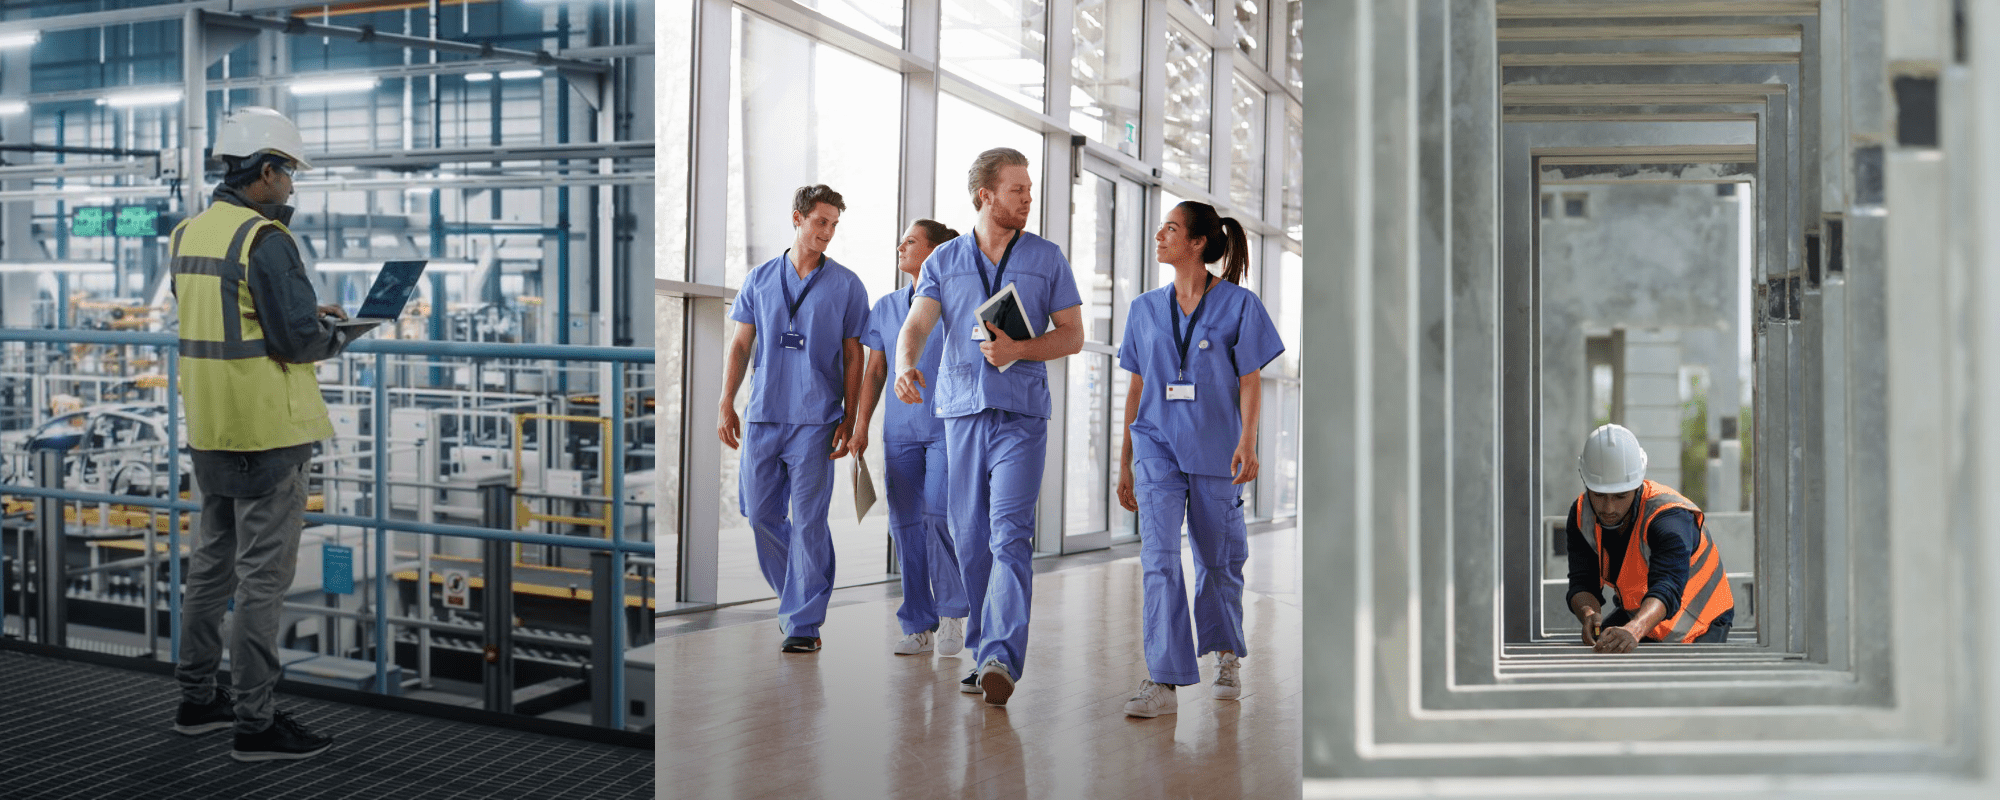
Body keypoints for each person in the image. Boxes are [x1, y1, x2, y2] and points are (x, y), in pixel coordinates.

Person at [171, 106, 354, 761]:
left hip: (211, 424)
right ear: (267, 170)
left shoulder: (189, 233)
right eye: (290, 172)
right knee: (261, 583)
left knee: (210, 570)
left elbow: (226, 312)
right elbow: (297, 341)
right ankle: (255, 724)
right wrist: (336, 332)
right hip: (267, 430)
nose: (293, 184)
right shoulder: (265, 239)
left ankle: (197, 700)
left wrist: (302, 311)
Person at [894, 147, 1084, 706]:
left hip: (1021, 415)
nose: (1028, 198)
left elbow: (1072, 334)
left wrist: (1019, 349)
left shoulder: (1046, 258)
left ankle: (1001, 654)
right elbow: (917, 324)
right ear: (986, 195)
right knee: (971, 537)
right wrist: (905, 365)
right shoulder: (944, 260)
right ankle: (983, 651)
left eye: (1029, 189)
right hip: (961, 412)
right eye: (1017, 189)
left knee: (1009, 533)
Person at [1114, 201, 1284, 719]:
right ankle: (1163, 678)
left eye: (1171, 228)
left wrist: (1248, 441)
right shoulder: (1144, 309)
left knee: (1217, 560)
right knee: (1158, 559)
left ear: (1197, 243)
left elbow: (1250, 380)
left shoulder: (1239, 305)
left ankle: (1226, 653)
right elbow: (1137, 387)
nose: (1159, 235)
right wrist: (1125, 460)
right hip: (1156, 446)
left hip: (1216, 448)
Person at [718, 184, 870, 654]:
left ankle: (803, 621)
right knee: (760, 514)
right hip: (763, 415)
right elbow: (741, 344)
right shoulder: (760, 278)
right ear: (797, 218)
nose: (828, 232)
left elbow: (854, 356)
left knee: (808, 522)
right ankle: (798, 596)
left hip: (816, 419)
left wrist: (850, 415)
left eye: (834, 225)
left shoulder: (847, 284)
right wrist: (725, 401)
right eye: (821, 221)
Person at [852, 220, 970, 657]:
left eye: (911, 241)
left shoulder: (957, 303)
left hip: (947, 428)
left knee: (937, 516)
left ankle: (953, 613)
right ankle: (918, 623)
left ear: (937, 252)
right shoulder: (886, 306)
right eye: (901, 239)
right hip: (899, 432)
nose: (900, 246)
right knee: (904, 525)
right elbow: (876, 371)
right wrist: (861, 426)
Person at [1565, 423, 1736, 652]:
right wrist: (1589, 614)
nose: (1608, 508)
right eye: (1599, 495)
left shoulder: (1670, 518)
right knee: (1601, 651)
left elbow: (1667, 585)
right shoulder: (1581, 515)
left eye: (1620, 496)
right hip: (1640, 618)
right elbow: (1582, 582)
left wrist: (1635, 629)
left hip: (1701, 623)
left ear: (1637, 486)